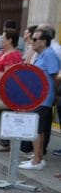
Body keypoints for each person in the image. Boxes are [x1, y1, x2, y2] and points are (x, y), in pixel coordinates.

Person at [18, 28, 59, 170]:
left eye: (35, 39)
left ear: (43, 41)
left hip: (44, 98)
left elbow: (55, 77)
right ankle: (38, 158)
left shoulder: (49, 54)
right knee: (38, 129)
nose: (31, 42)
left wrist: (52, 95)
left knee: (36, 129)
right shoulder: (42, 54)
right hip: (37, 97)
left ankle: (36, 160)